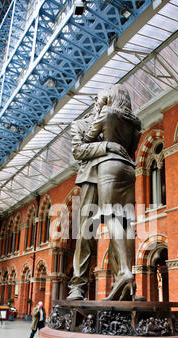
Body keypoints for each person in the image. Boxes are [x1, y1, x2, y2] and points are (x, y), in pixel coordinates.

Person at [67, 96, 132, 301]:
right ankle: (78, 286)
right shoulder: (79, 125)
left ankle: (120, 283)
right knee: (86, 231)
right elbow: (78, 151)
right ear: (94, 103)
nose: (102, 103)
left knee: (119, 225)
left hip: (113, 175)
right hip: (90, 179)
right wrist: (107, 147)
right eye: (99, 100)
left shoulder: (116, 118)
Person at [82, 84, 142, 300]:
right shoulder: (135, 123)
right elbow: (133, 148)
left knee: (111, 215)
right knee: (126, 221)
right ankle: (128, 273)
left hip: (110, 167)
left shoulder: (106, 113)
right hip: (129, 169)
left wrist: (99, 112)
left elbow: (88, 138)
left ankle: (124, 271)